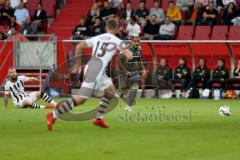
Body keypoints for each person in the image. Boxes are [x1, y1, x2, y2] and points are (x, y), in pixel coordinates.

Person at [46, 18, 132, 131]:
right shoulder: (117, 40)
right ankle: (54, 115)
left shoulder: (98, 38)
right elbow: (129, 56)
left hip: (92, 68)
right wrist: (128, 49)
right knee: (81, 99)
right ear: (116, 29)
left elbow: (79, 46)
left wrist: (77, 65)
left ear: (106, 28)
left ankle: (99, 118)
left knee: (110, 90)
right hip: (96, 72)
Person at [117, 34, 146, 112]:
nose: (137, 43)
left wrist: (143, 69)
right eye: (135, 41)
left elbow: (139, 59)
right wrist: (126, 71)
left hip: (133, 70)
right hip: (122, 71)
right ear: (132, 41)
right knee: (124, 89)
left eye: (138, 41)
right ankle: (122, 88)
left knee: (135, 87)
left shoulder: (139, 49)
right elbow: (118, 60)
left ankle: (129, 106)